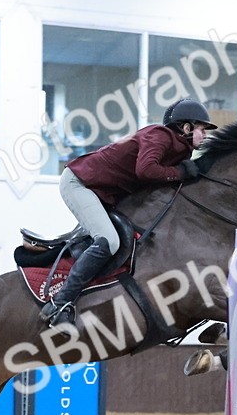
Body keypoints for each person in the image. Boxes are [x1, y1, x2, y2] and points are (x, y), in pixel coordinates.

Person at [38, 98, 217, 326]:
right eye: (202, 129)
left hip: (102, 192)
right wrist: (180, 173)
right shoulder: (159, 135)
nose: (205, 135)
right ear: (186, 127)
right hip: (79, 183)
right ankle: (60, 303)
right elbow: (146, 170)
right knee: (109, 241)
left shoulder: (180, 152)